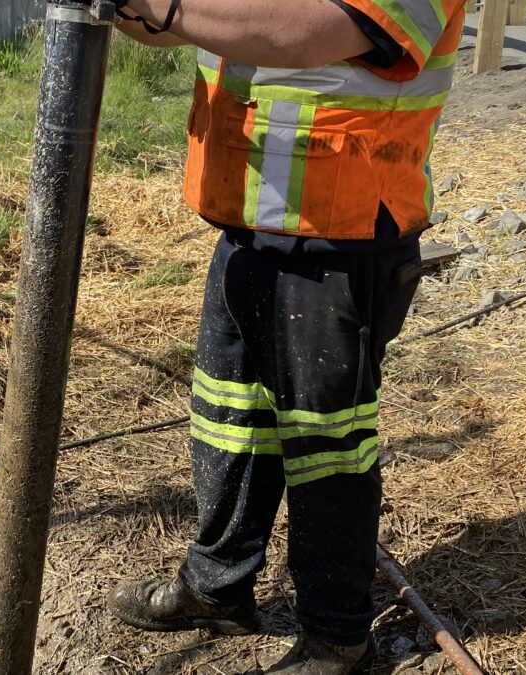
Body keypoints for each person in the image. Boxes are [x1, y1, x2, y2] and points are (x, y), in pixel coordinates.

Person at [106, 1, 466, 672]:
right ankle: (218, 588)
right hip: (246, 217)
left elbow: (308, 32)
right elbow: (188, 23)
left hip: (340, 233)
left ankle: (336, 636)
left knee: (326, 447)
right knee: (229, 419)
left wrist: (169, 6)